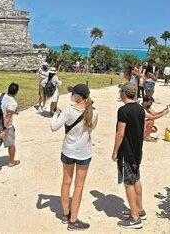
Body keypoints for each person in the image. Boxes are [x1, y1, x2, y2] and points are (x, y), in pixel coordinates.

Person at [51, 84, 98, 231]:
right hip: (84, 151)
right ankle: (73, 219)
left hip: (68, 150)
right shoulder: (94, 112)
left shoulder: (68, 110)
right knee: (79, 186)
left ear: (77, 96)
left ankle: (65, 214)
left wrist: (55, 114)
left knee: (66, 182)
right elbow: (92, 128)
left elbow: (54, 127)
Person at [112, 83, 146, 229]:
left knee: (128, 183)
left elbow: (120, 133)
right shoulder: (140, 108)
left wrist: (115, 151)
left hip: (127, 151)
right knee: (136, 178)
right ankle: (139, 209)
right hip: (137, 150)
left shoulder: (123, 110)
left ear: (124, 94)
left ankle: (134, 218)